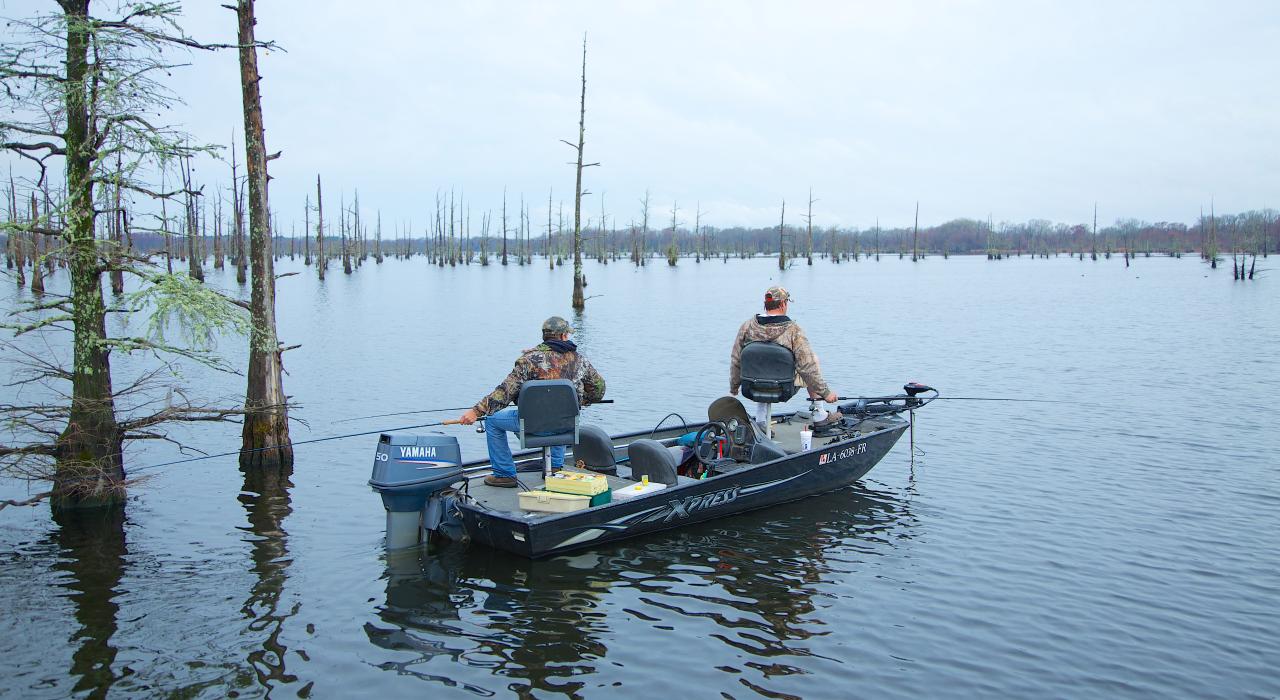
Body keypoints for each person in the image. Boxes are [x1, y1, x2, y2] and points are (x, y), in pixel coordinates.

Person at [458, 316, 606, 487]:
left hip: (531, 425)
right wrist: (581, 400)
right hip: (565, 425)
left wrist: (476, 412)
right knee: (562, 412)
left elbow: (504, 392)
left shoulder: (528, 360)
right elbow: (599, 390)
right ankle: (555, 468)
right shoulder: (579, 360)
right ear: (564, 336)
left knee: (491, 421)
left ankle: (504, 474)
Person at [729, 286, 839, 428]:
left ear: (766, 304)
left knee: (761, 362)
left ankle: (761, 421)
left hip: (751, 387)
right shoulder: (793, 330)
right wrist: (826, 393)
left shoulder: (747, 326)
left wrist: (734, 387)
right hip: (783, 389)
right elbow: (807, 366)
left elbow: (736, 359)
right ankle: (819, 415)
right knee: (812, 360)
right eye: (786, 302)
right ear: (782, 304)